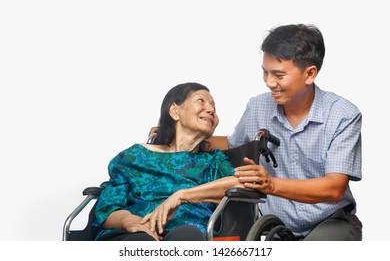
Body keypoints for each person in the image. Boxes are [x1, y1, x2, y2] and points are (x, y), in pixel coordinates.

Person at [211, 24, 363, 240]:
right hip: (274, 226)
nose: (269, 82)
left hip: (329, 220)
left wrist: (271, 184)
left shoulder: (343, 114)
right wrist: (181, 134)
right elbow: (231, 144)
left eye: (279, 75)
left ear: (310, 73)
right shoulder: (257, 107)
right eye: (265, 72)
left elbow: (334, 188)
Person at [93, 82, 242, 241]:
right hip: (134, 232)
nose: (211, 109)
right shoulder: (134, 156)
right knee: (140, 241)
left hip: (188, 235)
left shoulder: (213, 161)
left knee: (187, 236)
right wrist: (130, 221)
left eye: (214, 107)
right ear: (175, 111)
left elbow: (240, 183)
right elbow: (107, 209)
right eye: (201, 101)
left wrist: (182, 196)